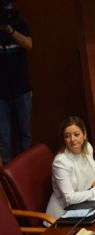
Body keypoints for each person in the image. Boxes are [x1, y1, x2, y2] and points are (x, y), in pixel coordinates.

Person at [45, 116, 95, 219]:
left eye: (76, 134)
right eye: (67, 136)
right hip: (64, 213)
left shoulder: (88, 148)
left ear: (84, 135)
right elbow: (69, 198)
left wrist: (94, 182)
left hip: (84, 203)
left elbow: (88, 175)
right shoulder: (60, 162)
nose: (72, 139)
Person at [0, 0, 32, 165]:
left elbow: (29, 44)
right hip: (1, 93)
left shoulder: (19, 24)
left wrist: (10, 30)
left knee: (25, 133)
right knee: (4, 135)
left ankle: (24, 165)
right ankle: (7, 171)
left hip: (22, 89)